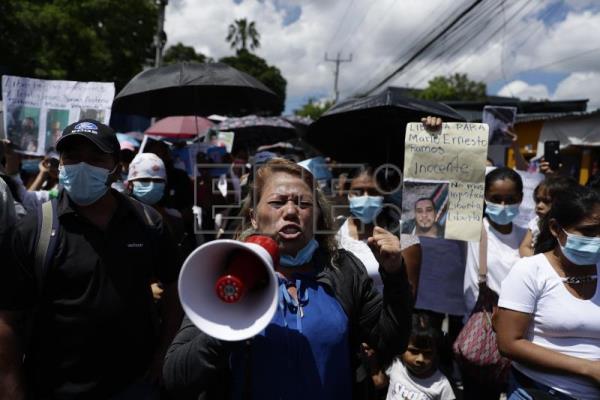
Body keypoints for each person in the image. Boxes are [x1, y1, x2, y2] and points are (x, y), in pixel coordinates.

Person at [162, 158, 413, 400]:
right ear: (253, 216)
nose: (291, 211)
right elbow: (176, 377)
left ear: (317, 217)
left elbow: (391, 342)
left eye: (303, 204)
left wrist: (394, 275)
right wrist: (227, 322)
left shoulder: (344, 270)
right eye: (277, 202)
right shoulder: (224, 270)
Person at [0, 119, 182, 399]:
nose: (82, 166)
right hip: (54, 388)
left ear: (116, 168)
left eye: (96, 158)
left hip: (135, 385)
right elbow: (8, 321)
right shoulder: (34, 229)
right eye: (72, 157)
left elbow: (174, 290)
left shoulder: (148, 223)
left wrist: (164, 354)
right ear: (60, 163)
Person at [495, 185, 600, 400]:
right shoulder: (530, 270)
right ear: (555, 228)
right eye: (588, 231)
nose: (597, 239)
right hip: (539, 391)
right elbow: (508, 343)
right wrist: (588, 369)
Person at [337, 165, 421, 296]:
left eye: (373, 192)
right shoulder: (335, 229)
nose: (365, 198)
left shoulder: (405, 233)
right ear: (348, 193)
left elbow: (410, 293)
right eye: (357, 192)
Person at [463, 167, 527, 315]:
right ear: (485, 197)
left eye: (510, 200)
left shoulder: (526, 237)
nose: (503, 205)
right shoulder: (471, 230)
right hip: (481, 323)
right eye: (496, 199)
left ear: (521, 198)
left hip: (519, 322)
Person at [382, 313, 456, 400]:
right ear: (402, 347)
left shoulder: (441, 385)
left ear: (436, 353)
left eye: (428, 353)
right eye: (414, 351)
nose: (420, 359)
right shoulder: (395, 365)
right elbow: (378, 381)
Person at [519, 175, 578, 257]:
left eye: (547, 201)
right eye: (538, 200)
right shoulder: (536, 222)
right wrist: (537, 262)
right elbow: (525, 247)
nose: (539, 206)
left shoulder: (571, 229)